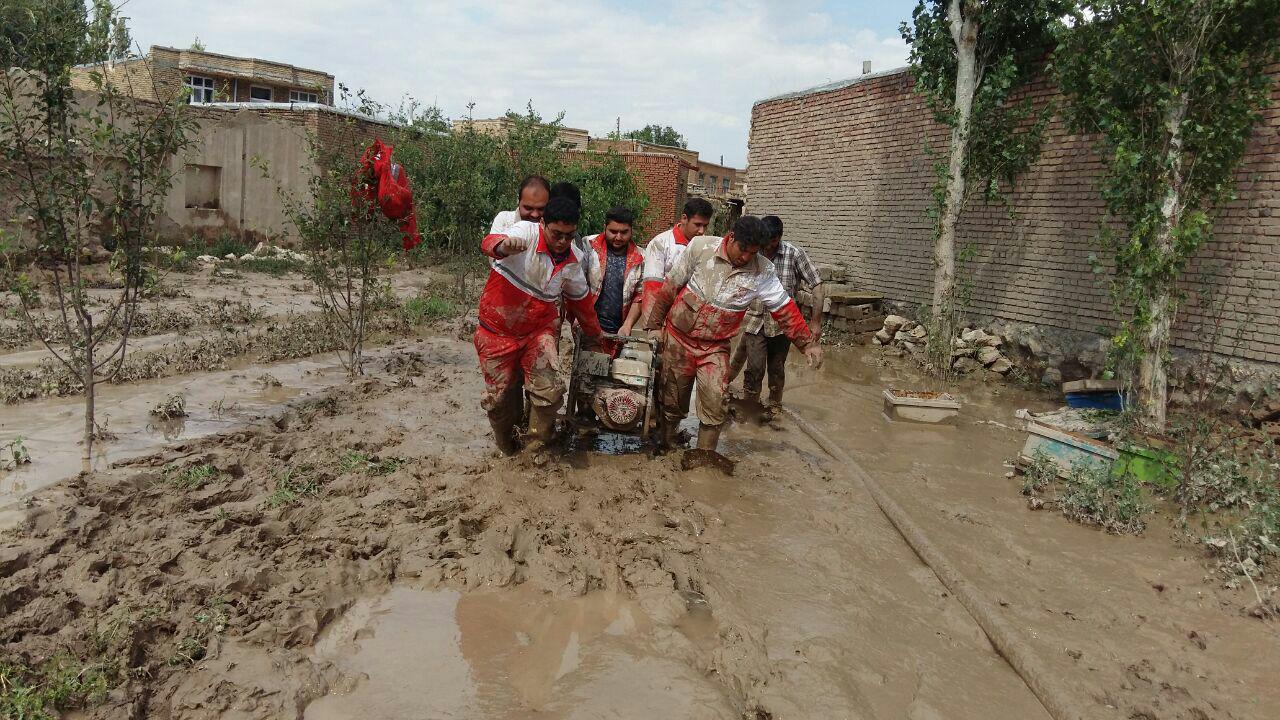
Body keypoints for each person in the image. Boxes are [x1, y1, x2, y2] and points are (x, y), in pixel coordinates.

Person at [640, 216, 823, 453]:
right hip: (679, 339)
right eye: (743, 250)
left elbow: (783, 308)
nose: (746, 257)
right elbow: (670, 287)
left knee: (715, 403)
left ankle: (704, 457)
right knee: (672, 400)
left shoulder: (763, 270)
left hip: (715, 346)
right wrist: (654, 326)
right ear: (731, 237)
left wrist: (807, 343)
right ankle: (668, 444)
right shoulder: (700, 247)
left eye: (753, 252)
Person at [475, 196, 604, 455]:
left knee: (549, 391)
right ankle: (508, 451)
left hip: (537, 332)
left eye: (569, 236)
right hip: (496, 332)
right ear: (542, 222)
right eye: (556, 234)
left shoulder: (573, 261)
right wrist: (503, 245)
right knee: (499, 401)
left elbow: (583, 305)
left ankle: (535, 450)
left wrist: (597, 338)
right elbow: (489, 243)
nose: (562, 242)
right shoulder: (525, 232)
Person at [728, 215, 824, 419]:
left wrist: (815, 322)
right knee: (754, 367)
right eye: (764, 244)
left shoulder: (794, 254)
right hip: (755, 320)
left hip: (782, 325)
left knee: (777, 369)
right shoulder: (753, 252)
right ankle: (750, 405)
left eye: (771, 244)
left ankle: (774, 406)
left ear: (779, 238)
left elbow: (817, 285)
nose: (767, 249)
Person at [581, 206, 645, 336]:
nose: (618, 237)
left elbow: (640, 296)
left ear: (631, 230)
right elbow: (577, 284)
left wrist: (627, 326)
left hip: (619, 331)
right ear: (605, 228)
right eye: (613, 231)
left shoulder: (641, 257)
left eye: (624, 232)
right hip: (587, 326)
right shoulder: (589, 246)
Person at [640, 198, 714, 309]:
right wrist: (654, 323)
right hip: (663, 313)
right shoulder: (660, 243)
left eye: (705, 226)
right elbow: (652, 288)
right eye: (697, 225)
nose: (701, 231)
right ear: (684, 218)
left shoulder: (708, 247)